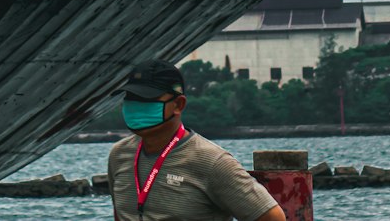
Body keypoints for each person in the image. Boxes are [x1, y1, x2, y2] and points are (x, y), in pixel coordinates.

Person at [107, 59, 285, 221]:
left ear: (178, 105)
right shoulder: (119, 155)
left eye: (146, 99)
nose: (136, 106)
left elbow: (272, 217)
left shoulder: (213, 162)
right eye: (131, 98)